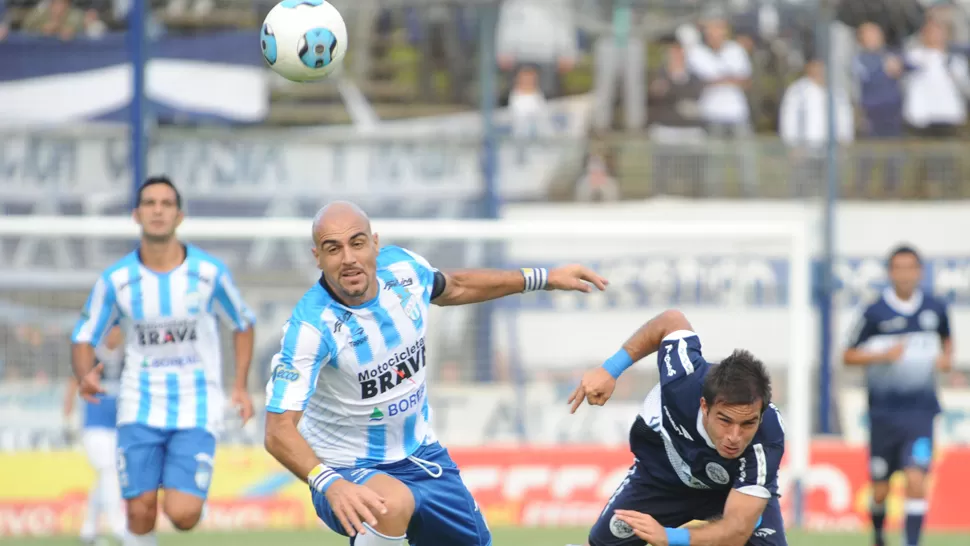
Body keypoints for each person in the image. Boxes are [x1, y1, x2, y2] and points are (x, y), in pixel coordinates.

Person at [262, 201, 608, 546]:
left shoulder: (403, 270)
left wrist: (543, 278)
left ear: (375, 244)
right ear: (317, 257)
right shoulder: (310, 328)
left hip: (421, 455)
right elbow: (278, 431)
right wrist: (329, 483)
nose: (348, 258)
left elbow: (455, 286)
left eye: (357, 243)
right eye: (332, 249)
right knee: (389, 504)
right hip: (347, 471)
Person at [71, 177, 257, 546]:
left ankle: (178, 486)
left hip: (196, 404)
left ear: (179, 215)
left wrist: (239, 386)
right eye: (150, 203)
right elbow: (83, 334)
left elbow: (243, 323)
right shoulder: (117, 279)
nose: (158, 210)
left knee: (184, 514)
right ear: (136, 214)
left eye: (166, 203)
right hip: (139, 404)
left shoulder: (209, 273)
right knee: (140, 512)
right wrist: (84, 374)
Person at [569, 309, 786, 546]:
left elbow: (737, 529)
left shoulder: (768, 437)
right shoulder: (683, 379)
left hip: (732, 493)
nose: (734, 436)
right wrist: (611, 369)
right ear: (705, 406)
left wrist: (671, 538)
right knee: (600, 543)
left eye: (747, 424)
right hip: (664, 479)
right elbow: (671, 321)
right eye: (725, 420)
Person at [843, 245, 951, 546]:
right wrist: (882, 356)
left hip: (921, 413)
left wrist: (945, 359)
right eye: (898, 268)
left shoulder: (935, 308)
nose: (905, 274)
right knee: (880, 489)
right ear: (890, 272)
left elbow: (947, 343)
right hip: (883, 415)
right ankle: (879, 535)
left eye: (911, 267)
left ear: (919, 272)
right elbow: (848, 356)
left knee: (916, 479)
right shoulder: (874, 312)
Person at [64, 325, 127, 545]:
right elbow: (73, 382)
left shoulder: (127, 358)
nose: (117, 336)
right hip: (94, 427)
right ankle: (119, 526)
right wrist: (68, 416)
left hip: (117, 428)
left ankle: (88, 530)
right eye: (114, 331)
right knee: (109, 470)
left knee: (105, 476)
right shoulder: (92, 357)